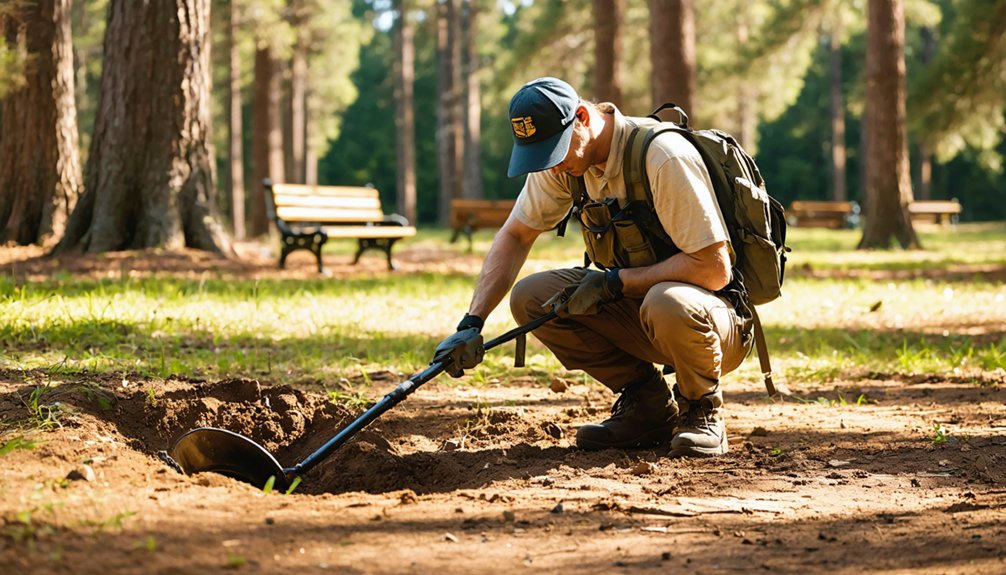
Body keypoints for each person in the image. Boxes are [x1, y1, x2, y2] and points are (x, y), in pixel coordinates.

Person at [433, 77, 752, 458]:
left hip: (713, 323)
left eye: (554, 152)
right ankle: (647, 407)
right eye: (541, 157)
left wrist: (616, 283)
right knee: (532, 297)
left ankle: (701, 411)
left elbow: (714, 269)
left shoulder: (661, 156)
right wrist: (472, 321)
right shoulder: (564, 165)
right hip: (641, 309)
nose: (552, 168)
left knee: (666, 301)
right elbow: (516, 235)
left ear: (581, 117)